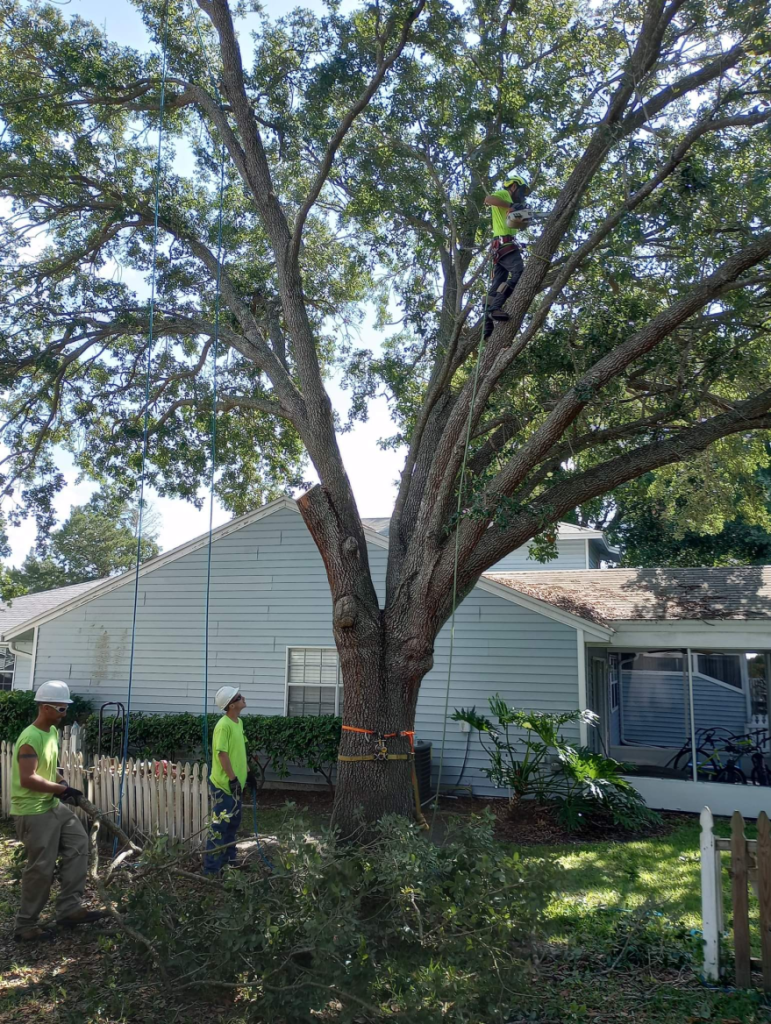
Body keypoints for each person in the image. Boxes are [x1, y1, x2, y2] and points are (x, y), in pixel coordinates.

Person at [12, 679, 105, 941]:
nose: (65, 714)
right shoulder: (30, 738)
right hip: (33, 811)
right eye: (61, 709)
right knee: (41, 868)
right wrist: (61, 791)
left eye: (66, 708)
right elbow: (28, 778)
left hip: (52, 805)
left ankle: (69, 909)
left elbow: (49, 768)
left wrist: (64, 784)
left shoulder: (51, 733)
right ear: (45, 708)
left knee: (79, 844)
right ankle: (26, 926)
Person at [204, 686, 256, 875]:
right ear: (232, 705)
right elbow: (222, 755)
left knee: (232, 826)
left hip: (235, 786)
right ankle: (211, 871)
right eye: (239, 697)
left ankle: (229, 863)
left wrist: (247, 772)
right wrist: (233, 779)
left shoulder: (238, 722)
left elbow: (238, 750)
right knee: (219, 828)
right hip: (224, 787)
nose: (243, 698)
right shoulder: (223, 725)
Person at [482, 170, 531, 338]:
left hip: (499, 248)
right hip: (505, 245)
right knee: (519, 273)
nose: (522, 195)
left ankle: (486, 326)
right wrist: (511, 206)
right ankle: (495, 308)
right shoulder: (504, 195)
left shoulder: (510, 205)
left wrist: (523, 214)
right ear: (514, 186)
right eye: (522, 191)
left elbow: (519, 224)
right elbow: (488, 200)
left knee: (497, 284)